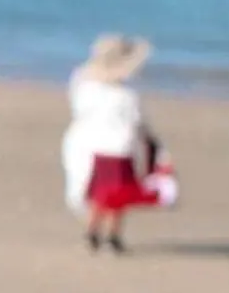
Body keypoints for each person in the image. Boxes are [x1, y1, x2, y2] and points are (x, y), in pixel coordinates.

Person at [63, 34, 166, 253]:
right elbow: (138, 122)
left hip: (93, 146)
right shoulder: (126, 96)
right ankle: (112, 235)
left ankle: (91, 233)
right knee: (118, 197)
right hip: (119, 148)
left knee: (99, 194)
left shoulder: (86, 89)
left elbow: (78, 110)